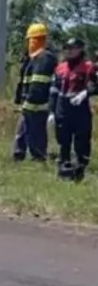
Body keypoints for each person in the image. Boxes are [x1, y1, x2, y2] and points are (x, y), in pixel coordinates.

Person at [50, 37, 96, 181]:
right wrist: (51, 111)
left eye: (73, 48)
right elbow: (53, 90)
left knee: (81, 140)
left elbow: (94, 85)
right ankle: (64, 169)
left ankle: (79, 170)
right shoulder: (60, 67)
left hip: (79, 107)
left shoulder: (88, 67)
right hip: (62, 106)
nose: (69, 51)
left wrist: (85, 93)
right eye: (67, 48)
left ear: (80, 49)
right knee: (63, 140)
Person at [12, 23, 57, 162]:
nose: (29, 43)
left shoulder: (44, 58)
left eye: (31, 40)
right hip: (28, 103)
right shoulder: (31, 58)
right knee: (22, 130)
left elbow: (39, 83)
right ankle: (19, 155)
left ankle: (38, 156)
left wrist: (29, 100)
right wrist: (20, 99)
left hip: (37, 104)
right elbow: (25, 81)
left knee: (36, 131)